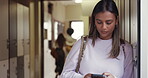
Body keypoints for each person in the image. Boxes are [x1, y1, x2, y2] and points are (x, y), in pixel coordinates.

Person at [60, 0, 133, 78]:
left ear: (116, 21)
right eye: (99, 22)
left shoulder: (125, 48)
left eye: (108, 22)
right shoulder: (82, 44)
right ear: (94, 21)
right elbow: (65, 74)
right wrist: (83, 77)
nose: (104, 27)